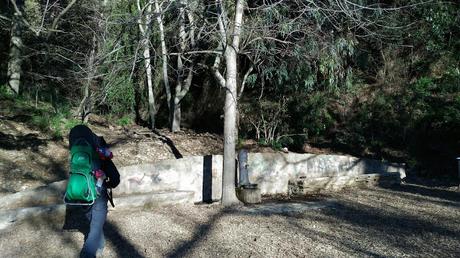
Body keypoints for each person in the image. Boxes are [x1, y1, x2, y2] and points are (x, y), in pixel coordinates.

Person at [67, 124, 119, 258]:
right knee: (96, 226)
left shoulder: (75, 155)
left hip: (81, 195)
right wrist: (107, 184)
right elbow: (115, 178)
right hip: (98, 195)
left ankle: (100, 245)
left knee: (94, 224)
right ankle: (88, 253)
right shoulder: (100, 154)